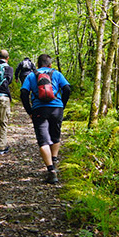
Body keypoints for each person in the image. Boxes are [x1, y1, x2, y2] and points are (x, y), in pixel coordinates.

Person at [20, 54, 71, 184]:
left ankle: (51, 171)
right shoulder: (57, 74)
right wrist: (62, 105)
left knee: (43, 141)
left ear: (37, 65)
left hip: (39, 110)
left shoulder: (31, 75)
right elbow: (67, 89)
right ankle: (54, 161)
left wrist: (29, 111)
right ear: (50, 64)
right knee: (55, 137)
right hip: (56, 109)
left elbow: (24, 93)